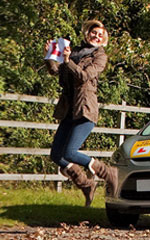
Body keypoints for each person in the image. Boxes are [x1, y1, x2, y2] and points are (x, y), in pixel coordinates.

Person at [45, 20, 118, 207]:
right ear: (87, 34)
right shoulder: (75, 51)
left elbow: (84, 76)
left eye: (100, 35)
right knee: (56, 155)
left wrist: (68, 61)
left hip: (85, 108)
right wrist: (50, 56)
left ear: (104, 40)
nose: (96, 36)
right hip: (69, 109)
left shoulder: (100, 57)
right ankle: (86, 184)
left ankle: (108, 173)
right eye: (94, 33)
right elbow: (57, 72)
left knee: (69, 152)